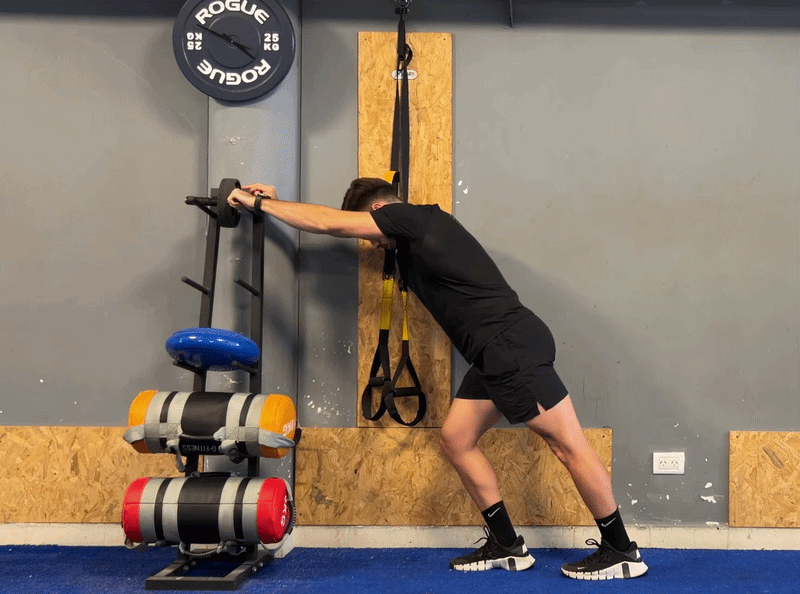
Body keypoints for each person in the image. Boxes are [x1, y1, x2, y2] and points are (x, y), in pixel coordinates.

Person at [228, 178, 648, 580]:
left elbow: (326, 222)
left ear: (378, 211)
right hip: (493, 354)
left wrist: (260, 204)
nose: (372, 245)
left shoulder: (411, 217)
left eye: (370, 232)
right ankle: (507, 545)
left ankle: (621, 551)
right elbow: (322, 216)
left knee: (566, 444)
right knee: (457, 439)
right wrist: (282, 199)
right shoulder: (413, 237)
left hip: (509, 346)